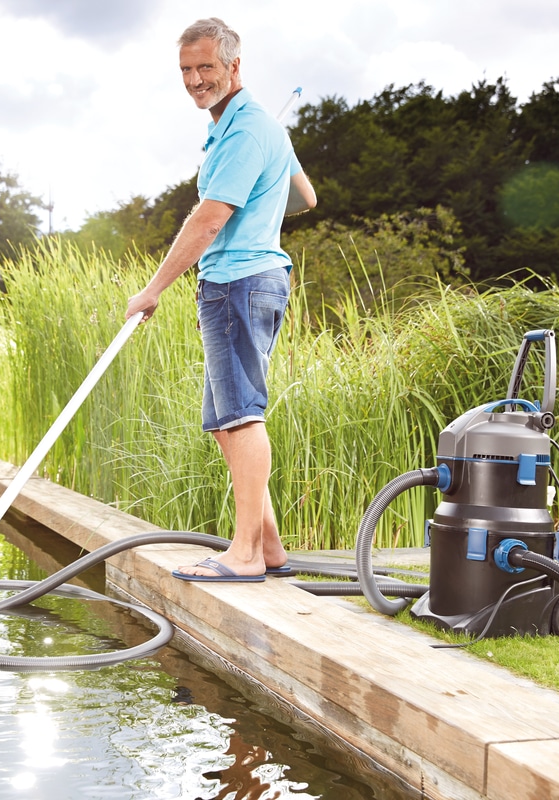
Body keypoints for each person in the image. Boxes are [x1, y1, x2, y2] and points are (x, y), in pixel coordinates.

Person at [125, 17, 317, 582]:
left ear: (235, 66)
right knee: (223, 420)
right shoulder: (253, 130)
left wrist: (153, 289)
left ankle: (245, 555)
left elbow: (208, 221)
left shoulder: (246, 131)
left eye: (205, 67)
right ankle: (271, 549)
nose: (194, 79)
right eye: (186, 70)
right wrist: (263, 193)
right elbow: (305, 197)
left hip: (238, 282)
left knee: (240, 417)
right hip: (245, 281)